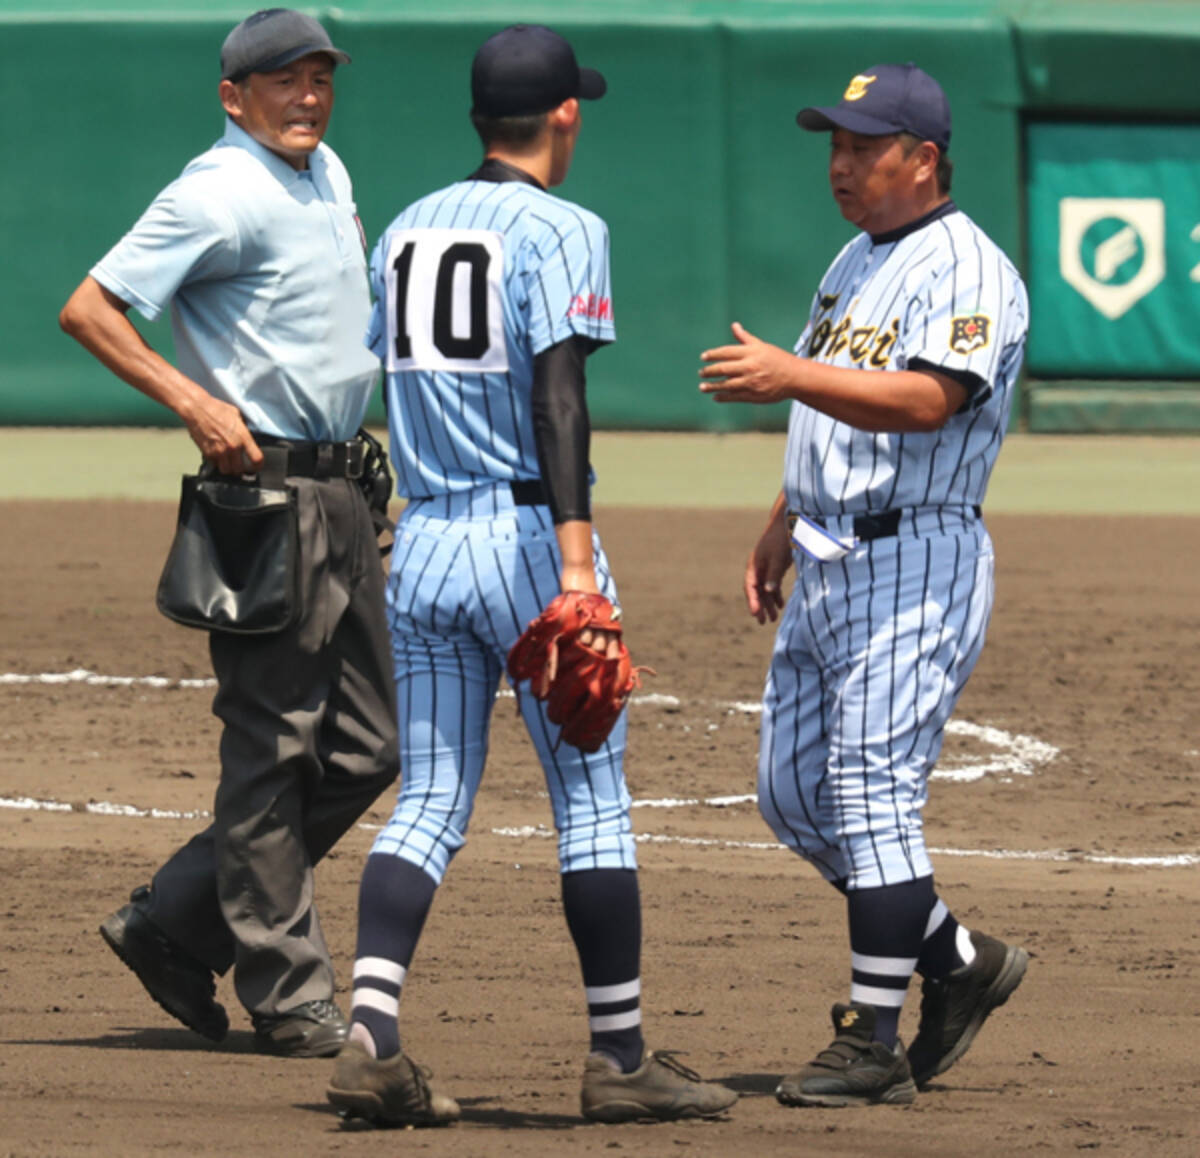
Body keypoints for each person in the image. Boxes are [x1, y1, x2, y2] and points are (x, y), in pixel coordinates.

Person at [323, 23, 738, 1127]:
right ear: (566, 115)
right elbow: (561, 396)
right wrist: (575, 568)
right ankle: (619, 1058)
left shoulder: (407, 229)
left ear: (476, 119)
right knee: (592, 806)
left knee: (429, 800)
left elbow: (383, 382)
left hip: (422, 544)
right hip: (522, 544)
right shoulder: (563, 227)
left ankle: (368, 1029)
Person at [58, 8, 398, 1059]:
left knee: (372, 745)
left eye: (319, 77)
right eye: (283, 80)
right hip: (267, 500)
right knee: (272, 747)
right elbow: (91, 308)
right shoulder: (216, 190)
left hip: (342, 491)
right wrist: (194, 403)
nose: (307, 96)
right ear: (232, 94)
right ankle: (288, 990)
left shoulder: (326, 173)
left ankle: (179, 920)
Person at [699, 63, 1030, 1107]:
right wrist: (780, 519)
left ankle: (872, 1037)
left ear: (922, 159)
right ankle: (959, 959)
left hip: (916, 560)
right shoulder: (855, 257)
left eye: (863, 147)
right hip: (830, 554)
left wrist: (790, 376)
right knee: (793, 796)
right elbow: (833, 409)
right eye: (834, 146)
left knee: (875, 798)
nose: (840, 166)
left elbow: (929, 399)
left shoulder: (973, 268)